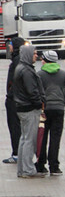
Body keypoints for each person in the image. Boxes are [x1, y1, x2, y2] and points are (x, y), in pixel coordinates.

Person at [35, 50, 65, 175]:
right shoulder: (64, 75)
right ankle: (54, 166)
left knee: (42, 137)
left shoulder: (39, 75)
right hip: (58, 110)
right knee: (55, 138)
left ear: (45, 60)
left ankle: (41, 165)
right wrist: (63, 102)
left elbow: (36, 93)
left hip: (44, 110)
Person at [12, 45, 45, 178]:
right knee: (29, 140)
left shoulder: (21, 68)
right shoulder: (26, 71)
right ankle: (28, 169)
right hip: (29, 108)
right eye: (34, 54)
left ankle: (22, 169)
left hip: (22, 107)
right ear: (27, 55)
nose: (36, 56)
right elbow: (32, 91)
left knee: (24, 139)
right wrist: (39, 103)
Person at [3, 35, 25, 164]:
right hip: (16, 98)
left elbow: (15, 81)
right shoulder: (18, 60)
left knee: (15, 127)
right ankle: (18, 152)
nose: (9, 46)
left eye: (11, 44)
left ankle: (17, 153)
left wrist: (11, 95)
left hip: (14, 99)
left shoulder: (17, 61)